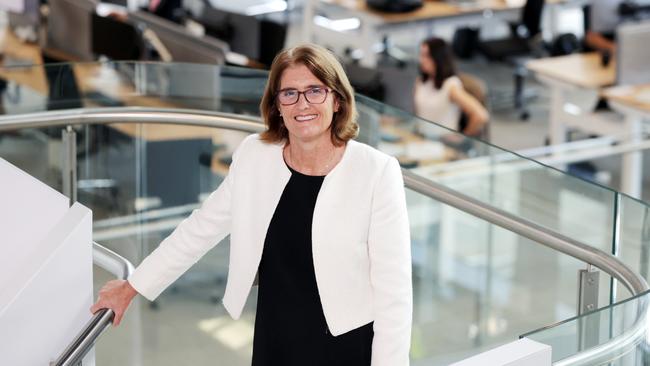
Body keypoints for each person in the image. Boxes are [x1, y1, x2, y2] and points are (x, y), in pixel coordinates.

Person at [91, 43, 413, 366]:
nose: (302, 104)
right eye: (289, 93)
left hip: (343, 345)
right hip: (276, 337)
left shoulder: (376, 172)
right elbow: (200, 228)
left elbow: (394, 297)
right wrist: (132, 286)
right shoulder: (255, 156)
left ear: (337, 100)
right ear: (277, 106)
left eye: (315, 90)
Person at [414, 37, 488, 139]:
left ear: (438, 58)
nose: (421, 60)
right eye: (421, 55)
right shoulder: (421, 81)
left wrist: (462, 138)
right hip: (422, 137)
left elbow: (481, 115)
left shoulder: (451, 86)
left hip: (442, 142)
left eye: (426, 56)